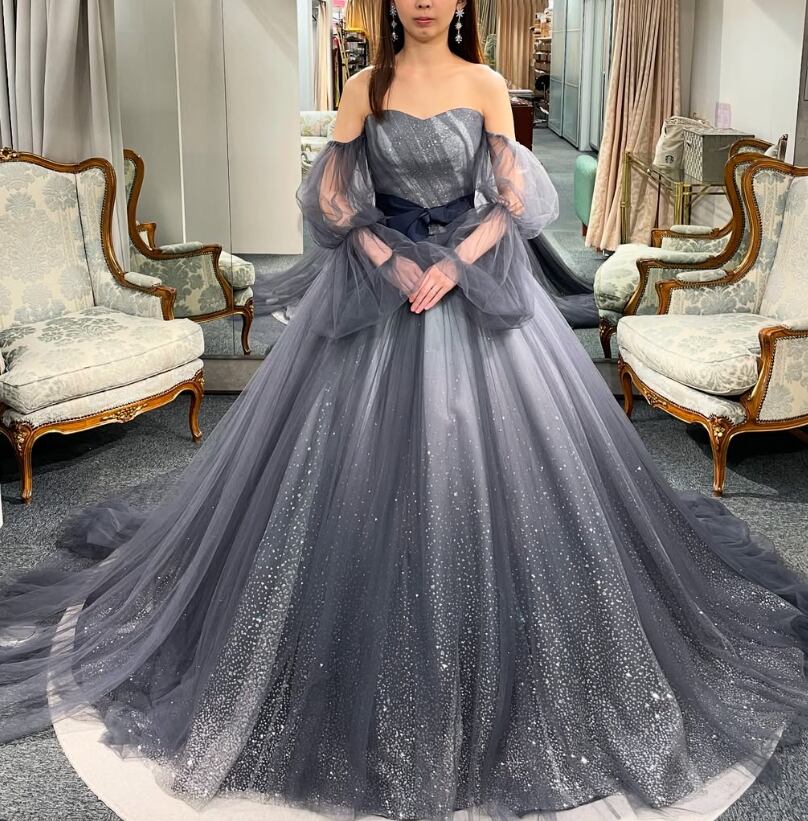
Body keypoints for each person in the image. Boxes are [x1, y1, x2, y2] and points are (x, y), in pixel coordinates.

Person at [1, 0, 807, 818]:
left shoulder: (487, 83)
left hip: (469, 285)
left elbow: (512, 201)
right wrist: (389, 259)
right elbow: (333, 201)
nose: (424, 1)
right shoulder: (364, 88)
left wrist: (454, 265)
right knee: (330, 475)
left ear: (458, 3)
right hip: (378, 293)